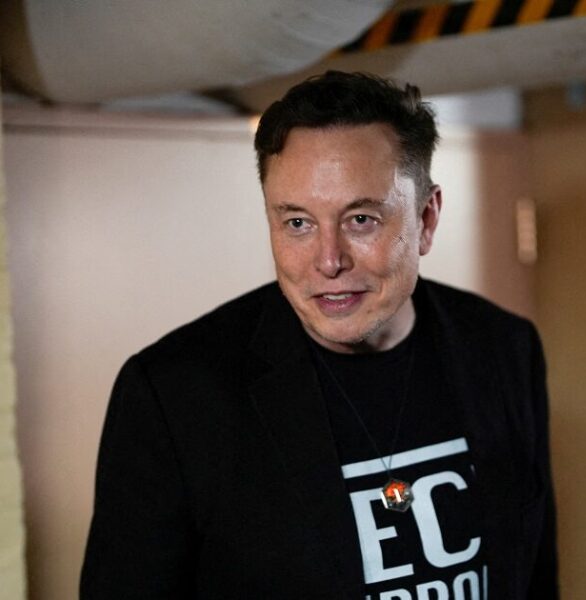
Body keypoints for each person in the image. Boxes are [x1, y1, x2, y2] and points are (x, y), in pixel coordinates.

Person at [80, 71, 558, 599]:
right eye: (298, 224)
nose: (329, 261)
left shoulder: (504, 348)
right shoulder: (174, 396)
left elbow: (534, 573)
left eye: (361, 219)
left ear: (426, 219)